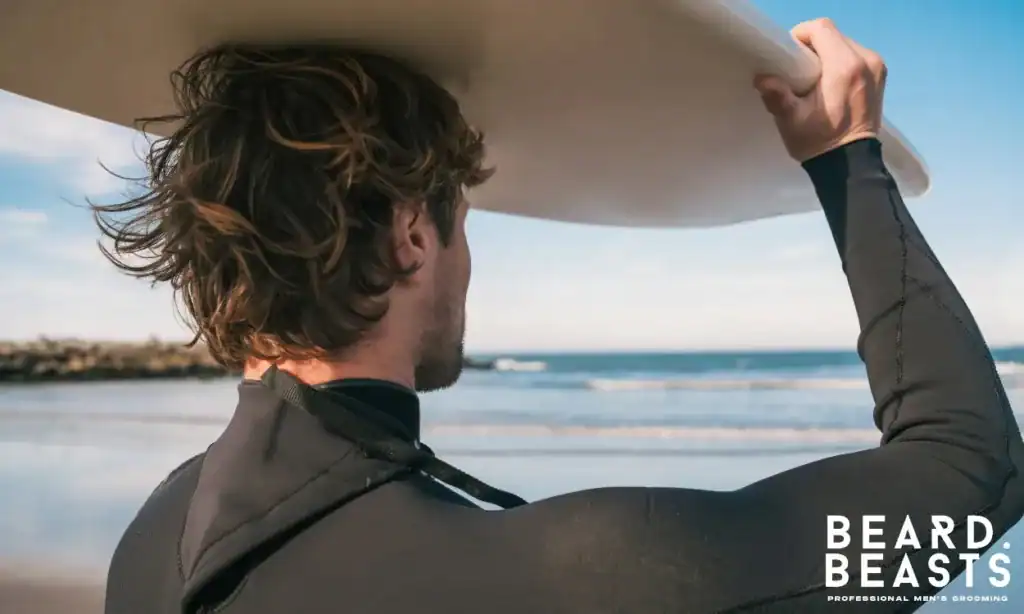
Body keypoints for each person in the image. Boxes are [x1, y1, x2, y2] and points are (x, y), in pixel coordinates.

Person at [98, 18, 1024, 614]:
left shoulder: (151, 545)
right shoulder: (575, 573)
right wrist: (846, 155)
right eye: (465, 223)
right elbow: (970, 476)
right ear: (413, 235)